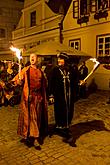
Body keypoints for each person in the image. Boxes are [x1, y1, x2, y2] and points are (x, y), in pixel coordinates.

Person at [11, 53, 48, 150]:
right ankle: (35, 137)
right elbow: (17, 81)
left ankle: (31, 135)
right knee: (33, 118)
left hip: (38, 98)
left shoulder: (40, 72)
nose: (32, 58)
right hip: (29, 98)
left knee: (37, 117)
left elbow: (44, 85)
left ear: (37, 60)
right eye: (31, 56)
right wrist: (18, 81)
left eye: (34, 57)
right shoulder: (25, 70)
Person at [48, 54, 79, 146]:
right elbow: (51, 83)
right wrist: (51, 95)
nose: (59, 61)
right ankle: (64, 132)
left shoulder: (71, 70)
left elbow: (74, 81)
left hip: (69, 98)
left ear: (65, 60)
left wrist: (80, 83)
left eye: (60, 59)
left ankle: (65, 128)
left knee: (69, 113)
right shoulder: (55, 70)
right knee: (60, 112)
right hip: (59, 97)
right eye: (58, 59)